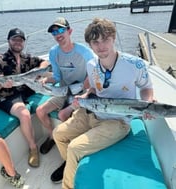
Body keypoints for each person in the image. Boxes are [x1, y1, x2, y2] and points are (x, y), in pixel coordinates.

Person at [50, 18, 155, 189]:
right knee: (58, 134)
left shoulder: (134, 64)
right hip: (92, 112)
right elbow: (93, 88)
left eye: (105, 39)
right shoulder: (91, 65)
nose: (101, 46)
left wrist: (148, 104)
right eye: (95, 42)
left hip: (117, 121)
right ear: (90, 45)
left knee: (74, 148)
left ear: (113, 38)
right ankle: (69, 164)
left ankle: (68, 185)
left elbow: (146, 88)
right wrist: (84, 96)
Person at [0, 28, 49, 168]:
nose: (17, 42)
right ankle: (33, 148)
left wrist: (37, 72)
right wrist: (2, 83)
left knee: (50, 80)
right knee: (24, 114)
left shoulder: (27, 58)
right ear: (8, 41)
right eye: (14, 39)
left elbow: (44, 62)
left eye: (20, 39)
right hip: (6, 96)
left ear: (23, 42)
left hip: (24, 92)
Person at [36, 17, 95, 155]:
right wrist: (46, 80)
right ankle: (52, 137)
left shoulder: (84, 52)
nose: (58, 35)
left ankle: (72, 147)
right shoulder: (53, 52)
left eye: (61, 30)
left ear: (70, 31)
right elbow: (56, 76)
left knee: (63, 115)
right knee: (40, 111)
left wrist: (85, 85)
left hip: (81, 92)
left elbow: (94, 73)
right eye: (54, 33)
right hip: (63, 91)